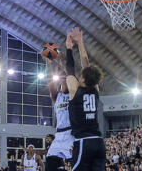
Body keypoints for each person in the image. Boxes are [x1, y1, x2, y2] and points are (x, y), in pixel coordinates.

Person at [64, 28, 105, 171]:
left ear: (83, 78)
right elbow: (86, 65)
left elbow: (70, 68)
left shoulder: (76, 90)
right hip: (98, 144)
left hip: (84, 143)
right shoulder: (95, 89)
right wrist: (80, 43)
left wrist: (69, 48)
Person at [43, 37, 76, 170]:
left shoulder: (73, 93)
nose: (62, 80)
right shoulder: (57, 97)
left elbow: (70, 73)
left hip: (71, 134)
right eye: (61, 78)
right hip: (59, 135)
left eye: (64, 78)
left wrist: (62, 60)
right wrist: (48, 63)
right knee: (50, 164)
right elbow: (49, 80)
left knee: (77, 164)